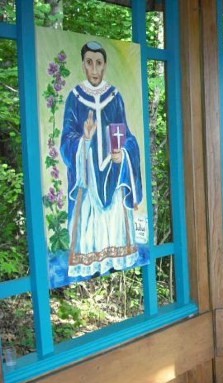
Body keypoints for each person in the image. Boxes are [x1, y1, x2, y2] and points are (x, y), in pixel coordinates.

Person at [60, 41, 143, 280]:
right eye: (89, 63)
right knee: (87, 224)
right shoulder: (75, 98)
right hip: (88, 179)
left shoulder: (114, 97)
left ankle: (115, 258)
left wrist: (123, 153)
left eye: (99, 63)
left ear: (105, 65)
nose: (94, 69)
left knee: (116, 223)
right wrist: (84, 139)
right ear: (83, 64)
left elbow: (128, 137)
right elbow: (66, 139)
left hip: (113, 176)